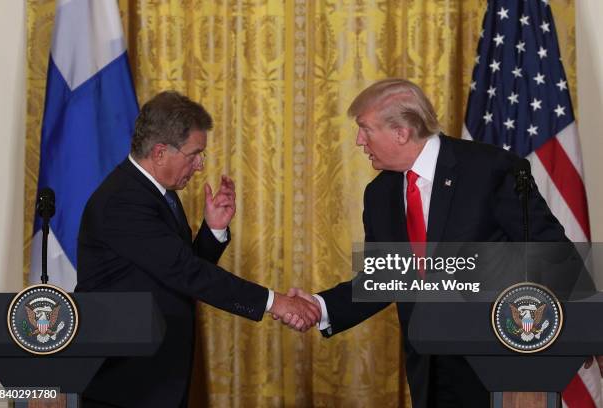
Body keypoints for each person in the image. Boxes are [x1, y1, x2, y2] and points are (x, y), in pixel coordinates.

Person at [279, 78, 593, 408]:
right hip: (431, 374)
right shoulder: (380, 195)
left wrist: (587, 328)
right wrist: (320, 307)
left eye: (365, 129)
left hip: (505, 366)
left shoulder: (491, 169)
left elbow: (551, 251)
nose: (359, 140)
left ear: (401, 132)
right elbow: (385, 279)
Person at [76, 91, 320, 408]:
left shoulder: (157, 193)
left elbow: (173, 271)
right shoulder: (124, 200)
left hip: (154, 379)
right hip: (122, 384)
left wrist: (213, 229)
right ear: (161, 152)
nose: (200, 166)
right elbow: (185, 272)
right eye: (194, 155)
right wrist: (275, 303)